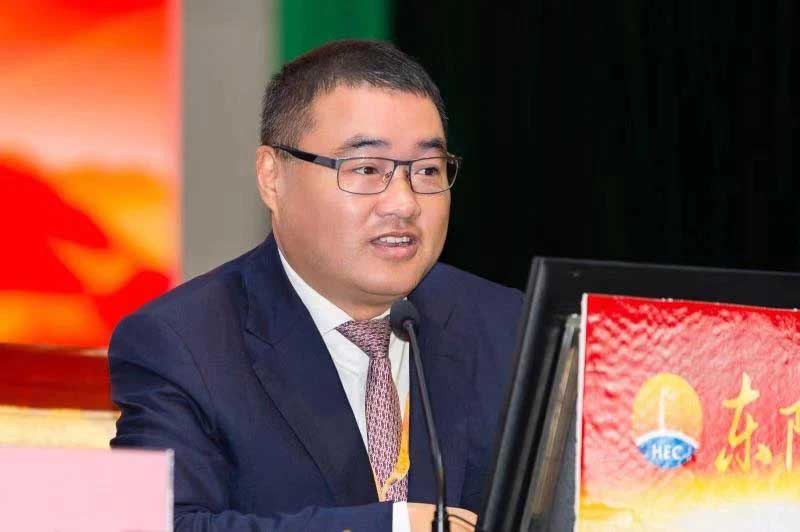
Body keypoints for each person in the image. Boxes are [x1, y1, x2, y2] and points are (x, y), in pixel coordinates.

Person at [109, 40, 522, 531]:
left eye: (427, 170)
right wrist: (392, 528)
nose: (405, 203)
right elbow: (163, 525)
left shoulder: (507, 325)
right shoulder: (182, 344)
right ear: (272, 178)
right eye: (367, 169)